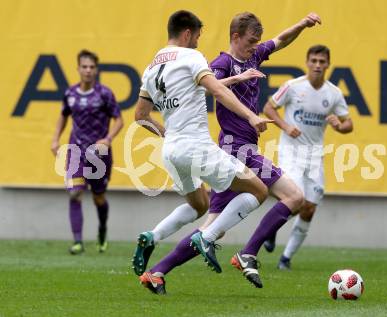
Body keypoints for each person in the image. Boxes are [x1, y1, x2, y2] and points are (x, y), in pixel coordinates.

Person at [139, 12, 321, 294]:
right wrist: (241, 89)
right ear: (235, 37)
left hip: (238, 146)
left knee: (212, 223)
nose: (254, 45)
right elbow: (211, 90)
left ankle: (157, 271)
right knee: (293, 196)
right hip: (236, 147)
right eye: (250, 40)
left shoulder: (253, 56)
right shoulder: (220, 64)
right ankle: (247, 253)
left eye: (257, 41)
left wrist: (301, 25)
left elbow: (281, 40)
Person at [262, 45, 353, 270]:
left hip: (314, 156)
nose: (318, 65)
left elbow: (349, 124)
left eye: (322, 62)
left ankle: (285, 258)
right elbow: (268, 107)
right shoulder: (292, 87)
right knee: (296, 197)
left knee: (309, 208)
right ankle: (271, 229)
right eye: (314, 61)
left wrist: (339, 126)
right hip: (291, 152)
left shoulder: (334, 93)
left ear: (328, 65)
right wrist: (285, 126)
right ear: (307, 62)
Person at [51, 49, 124, 254]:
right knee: (75, 193)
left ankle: (102, 230)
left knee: (98, 198)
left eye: (92, 67)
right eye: (84, 67)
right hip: (75, 150)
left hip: (98, 155)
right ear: (78, 69)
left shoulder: (105, 94)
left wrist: (108, 139)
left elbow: (119, 120)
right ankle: (78, 242)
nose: (88, 70)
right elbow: (63, 115)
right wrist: (56, 138)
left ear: (96, 70)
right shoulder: (70, 94)